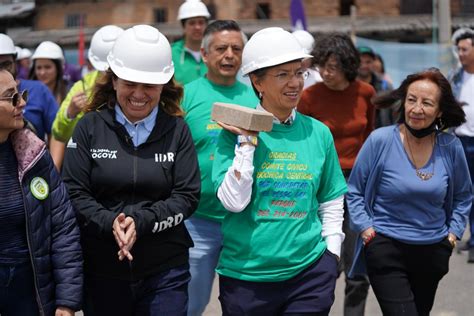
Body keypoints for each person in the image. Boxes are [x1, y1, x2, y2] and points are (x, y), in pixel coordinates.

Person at [62, 25, 201, 316]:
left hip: (166, 270)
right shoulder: (89, 126)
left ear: (164, 84)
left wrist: (141, 222)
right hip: (102, 270)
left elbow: (187, 196)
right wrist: (109, 221)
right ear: (113, 81)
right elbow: (74, 192)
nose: (138, 94)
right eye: (129, 83)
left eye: (149, 85)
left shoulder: (177, 129)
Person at [212, 27, 347, 315]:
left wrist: (332, 253)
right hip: (246, 277)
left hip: (309, 275)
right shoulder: (232, 132)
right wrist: (247, 141)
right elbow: (233, 203)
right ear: (257, 82)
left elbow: (331, 199)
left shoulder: (319, 133)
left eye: (299, 72)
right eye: (283, 74)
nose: (295, 82)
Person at [347, 68, 471, 316]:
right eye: (411, 100)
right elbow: (355, 191)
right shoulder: (380, 140)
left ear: (439, 110)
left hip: (433, 252)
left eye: (427, 103)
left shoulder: (450, 146)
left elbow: (463, 196)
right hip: (385, 248)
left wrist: (452, 235)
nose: (416, 108)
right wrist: (367, 230)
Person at [181, 20, 259, 316]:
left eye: (236, 49)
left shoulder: (256, 98)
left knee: (245, 305)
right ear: (204, 53)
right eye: (221, 48)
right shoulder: (185, 96)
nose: (229, 55)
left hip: (245, 222)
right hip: (197, 222)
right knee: (191, 304)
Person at [298, 33, 375, 316]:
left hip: (357, 182)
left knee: (357, 260)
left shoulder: (366, 93)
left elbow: (370, 136)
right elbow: (302, 140)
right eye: (321, 66)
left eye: (332, 66)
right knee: (324, 259)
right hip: (323, 181)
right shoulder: (309, 96)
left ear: (348, 65)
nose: (325, 73)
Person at [0, 68, 83, 315]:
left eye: (21, 93)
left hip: (30, 290)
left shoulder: (34, 155)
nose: (22, 102)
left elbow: (62, 228)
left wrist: (66, 302)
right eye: (11, 97)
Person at [50, 25, 124, 170]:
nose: (110, 76)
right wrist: (69, 114)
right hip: (88, 164)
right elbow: (58, 133)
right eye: (106, 71)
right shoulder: (82, 86)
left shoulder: (136, 86)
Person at [0, 33, 58, 141]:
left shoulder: (38, 90)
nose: (22, 103)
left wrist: (50, 158)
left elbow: (56, 133)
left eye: (6, 64)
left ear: (15, 61)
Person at [449, 28, 474, 263]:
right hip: (461, 140)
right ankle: (471, 237)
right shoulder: (456, 76)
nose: (461, 54)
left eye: (465, 49)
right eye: (459, 50)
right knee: (466, 191)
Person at [172, 0, 210, 85]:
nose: (197, 27)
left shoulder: (215, 52)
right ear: (183, 26)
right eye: (192, 23)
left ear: (206, 25)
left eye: (201, 22)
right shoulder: (171, 54)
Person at [357, 46, 394, 128]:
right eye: (360, 62)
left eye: (368, 62)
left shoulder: (385, 86)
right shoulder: (349, 87)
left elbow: (394, 114)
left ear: (373, 62)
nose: (364, 65)